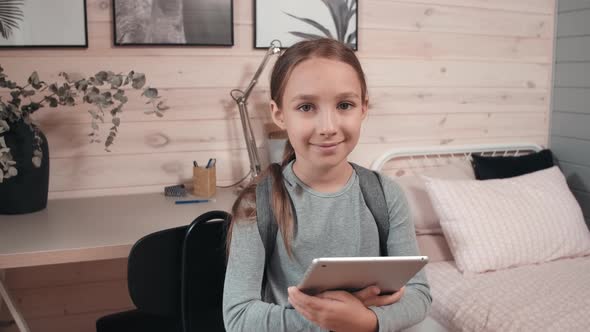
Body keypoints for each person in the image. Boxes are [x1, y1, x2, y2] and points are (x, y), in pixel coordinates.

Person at [223, 38, 431, 332]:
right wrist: (331, 322)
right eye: (306, 107)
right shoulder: (257, 204)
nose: (328, 126)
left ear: (363, 108)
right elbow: (238, 317)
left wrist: (367, 321)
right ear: (279, 114)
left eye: (344, 105)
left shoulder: (386, 195)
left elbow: (419, 296)